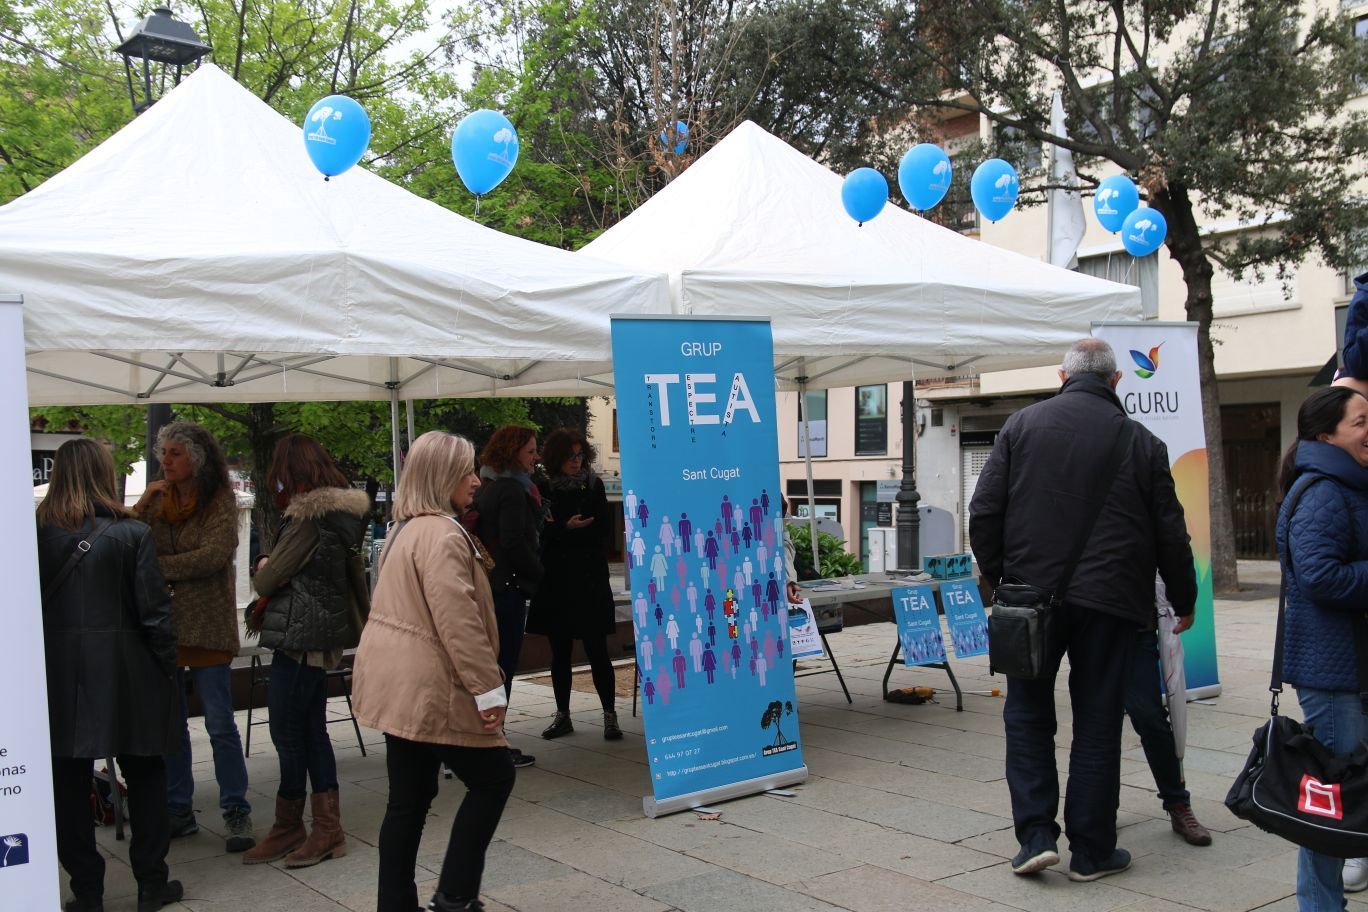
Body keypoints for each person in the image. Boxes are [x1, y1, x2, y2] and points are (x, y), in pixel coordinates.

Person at [969, 338, 1196, 883]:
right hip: (1112, 604)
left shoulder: (1021, 426)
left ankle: (1035, 839)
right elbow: (1172, 533)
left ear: (1062, 375)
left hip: (1029, 600)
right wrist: (1183, 601)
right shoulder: (1143, 442)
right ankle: (1093, 852)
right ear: (1117, 381)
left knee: (1026, 715)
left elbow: (984, 510)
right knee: (1097, 723)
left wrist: (1000, 578)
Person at [353, 431, 516, 912]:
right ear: (441, 476)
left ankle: (397, 903)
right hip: (428, 686)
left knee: (408, 800)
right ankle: (456, 896)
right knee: (494, 779)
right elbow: (458, 621)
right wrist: (489, 690)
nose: (475, 479)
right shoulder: (442, 533)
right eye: (466, 470)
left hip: (399, 687)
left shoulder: (403, 528)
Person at [38, 438, 184, 912]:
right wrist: (167, 668)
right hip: (129, 670)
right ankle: (151, 881)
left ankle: (87, 891)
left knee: (67, 781)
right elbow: (155, 614)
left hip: (57, 673)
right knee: (145, 771)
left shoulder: (33, 533)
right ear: (105, 474)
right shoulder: (132, 534)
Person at [242, 435, 371, 867]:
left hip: (299, 639)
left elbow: (266, 581)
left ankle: (298, 827)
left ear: (291, 472)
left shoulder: (308, 519)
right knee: (311, 731)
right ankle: (318, 828)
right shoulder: (342, 515)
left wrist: (263, 564)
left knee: (288, 733)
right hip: (320, 636)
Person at [133, 421, 254, 851]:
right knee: (173, 726)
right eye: (162, 452)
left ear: (196, 459)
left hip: (207, 627)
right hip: (164, 627)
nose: (164, 460)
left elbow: (213, 556)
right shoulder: (157, 500)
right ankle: (178, 809)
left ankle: (236, 810)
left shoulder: (219, 500)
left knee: (220, 724)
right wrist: (144, 503)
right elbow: (130, 545)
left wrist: (160, 566)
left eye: (173, 453)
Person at [1276, 386, 1368, 910]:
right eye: (1359, 421)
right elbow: (1320, 575)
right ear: (1325, 435)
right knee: (1331, 803)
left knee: (1343, 795)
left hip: (1350, 665)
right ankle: (1320, 905)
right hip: (1331, 670)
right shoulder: (1323, 491)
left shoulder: (1347, 483)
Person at [529, 428, 623, 741]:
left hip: (589, 579)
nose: (577, 461)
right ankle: (562, 714)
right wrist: (565, 528)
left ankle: (610, 715)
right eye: (571, 456)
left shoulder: (593, 485)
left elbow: (600, 530)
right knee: (560, 652)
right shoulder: (542, 487)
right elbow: (540, 532)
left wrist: (566, 529)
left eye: (580, 454)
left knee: (598, 650)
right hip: (557, 580)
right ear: (557, 457)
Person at [472, 424, 545, 768]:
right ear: (513, 452)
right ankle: (495, 743)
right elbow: (514, 542)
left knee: (487, 667)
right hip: (507, 589)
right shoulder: (512, 491)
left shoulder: (486, 486)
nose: (535, 457)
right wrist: (538, 573)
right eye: (530, 450)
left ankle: (479, 740)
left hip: (488, 587)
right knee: (503, 668)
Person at [1124, 576, 1211, 847]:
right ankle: (1098, 806)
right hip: (1085, 619)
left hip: (1135, 620)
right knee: (1095, 721)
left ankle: (1176, 801)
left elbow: (1173, 543)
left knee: (1149, 715)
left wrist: (1184, 600)